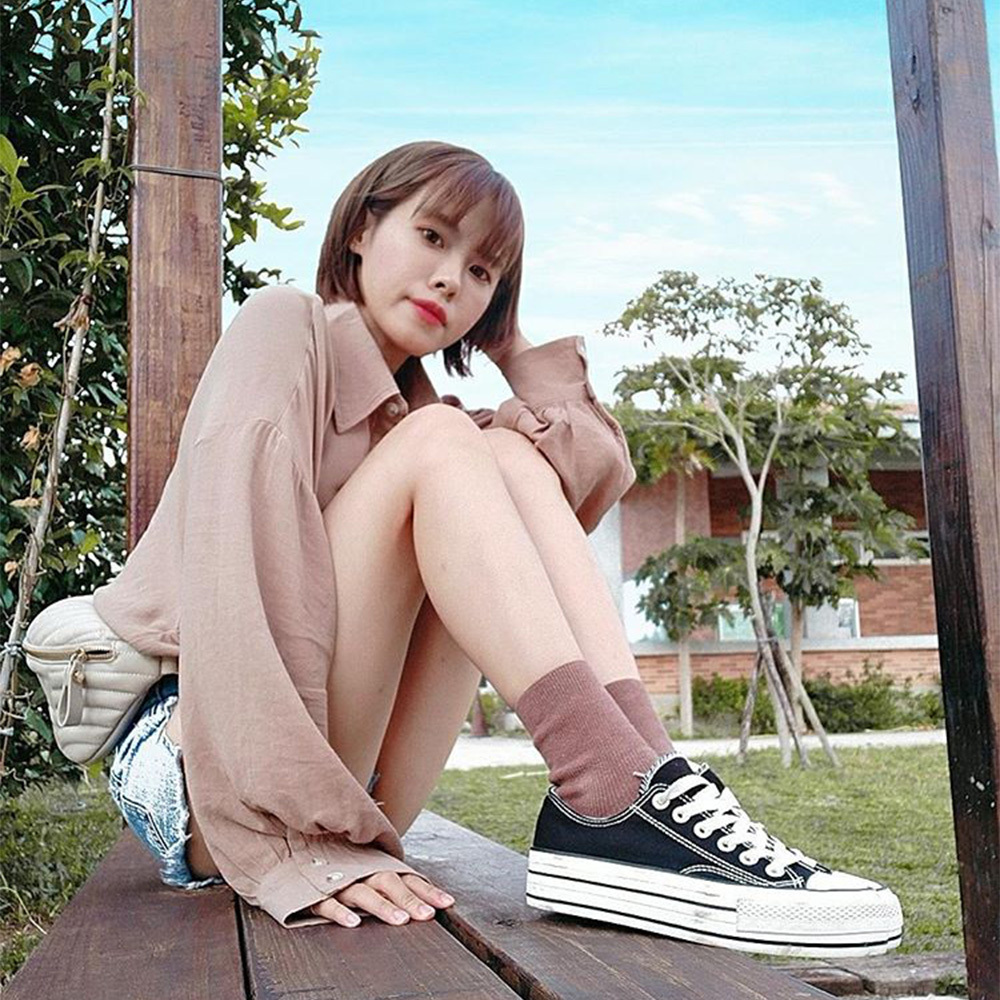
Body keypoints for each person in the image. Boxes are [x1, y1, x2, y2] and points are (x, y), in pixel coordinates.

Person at [95, 140, 903, 956]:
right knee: (449, 441)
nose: (452, 279)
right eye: (433, 237)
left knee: (509, 454)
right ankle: (609, 784)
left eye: (483, 272)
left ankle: (643, 784)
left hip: (346, 776)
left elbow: (589, 472)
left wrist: (507, 342)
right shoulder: (285, 328)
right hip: (212, 770)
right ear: (361, 231)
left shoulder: (420, 417)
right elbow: (232, 586)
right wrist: (292, 843)